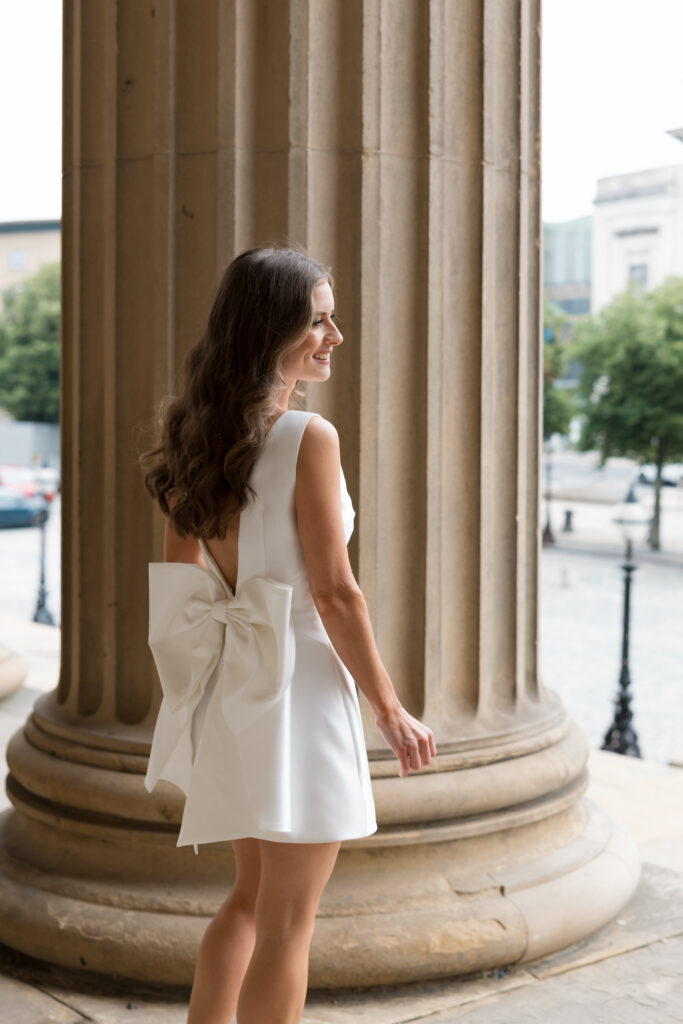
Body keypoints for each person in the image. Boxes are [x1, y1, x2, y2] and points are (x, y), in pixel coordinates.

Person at [140, 246, 436, 1023]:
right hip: (298, 690)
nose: (334, 335)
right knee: (288, 923)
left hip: (234, 688)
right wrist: (388, 708)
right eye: (318, 320)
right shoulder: (307, 435)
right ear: (269, 329)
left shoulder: (193, 433)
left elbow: (181, 584)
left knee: (248, 899)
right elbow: (335, 593)